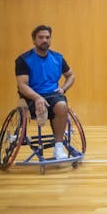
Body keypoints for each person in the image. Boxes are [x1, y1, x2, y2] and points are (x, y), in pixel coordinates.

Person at [15, 25, 75, 159]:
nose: (45, 40)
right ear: (34, 40)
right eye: (41, 37)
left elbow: (71, 76)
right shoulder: (23, 60)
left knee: (62, 106)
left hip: (53, 94)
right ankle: (43, 114)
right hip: (31, 95)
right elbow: (22, 85)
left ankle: (58, 148)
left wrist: (63, 88)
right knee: (43, 105)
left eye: (47, 37)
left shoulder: (58, 58)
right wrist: (37, 98)